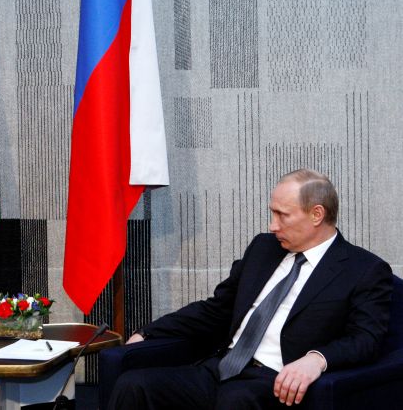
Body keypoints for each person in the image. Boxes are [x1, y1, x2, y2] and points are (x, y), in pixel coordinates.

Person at [108, 169, 393, 409]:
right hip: (222, 368)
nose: (272, 225)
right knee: (134, 385)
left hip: (276, 382)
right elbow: (216, 309)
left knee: (235, 401)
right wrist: (149, 332)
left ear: (316, 214)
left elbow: (366, 338)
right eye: (272, 213)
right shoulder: (263, 249)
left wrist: (317, 360)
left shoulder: (363, 270)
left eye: (282, 215)